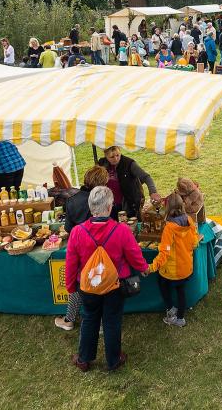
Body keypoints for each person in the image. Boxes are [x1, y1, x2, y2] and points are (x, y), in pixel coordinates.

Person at [65, 186, 148, 372]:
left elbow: (70, 262)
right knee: (111, 321)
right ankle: (113, 359)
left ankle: (84, 359)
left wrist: (71, 286)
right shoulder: (122, 230)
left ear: (90, 206)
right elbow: (134, 254)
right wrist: (144, 268)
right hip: (115, 285)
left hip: (88, 286)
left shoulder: (77, 232)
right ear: (110, 207)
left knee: (89, 319)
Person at [55, 166, 110, 331]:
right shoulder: (101, 200)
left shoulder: (72, 199)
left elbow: (68, 228)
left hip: (80, 249)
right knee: (100, 286)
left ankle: (69, 319)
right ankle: (100, 325)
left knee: (79, 286)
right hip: (100, 249)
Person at [149, 180, 203, 327]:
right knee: (181, 291)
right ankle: (180, 318)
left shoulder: (169, 228)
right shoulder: (190, 222)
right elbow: (194, 244)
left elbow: (164, 253)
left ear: (167, 208)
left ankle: (170, 310)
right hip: (185, 268)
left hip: (171, 271)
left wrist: (151, 267)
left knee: (162, 283)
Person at [98, 146, 162, 219]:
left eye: (118, 155)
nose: (116, 159)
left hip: (128, 205)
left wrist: (153, 192)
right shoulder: (102, 164)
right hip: (109, 204)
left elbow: (146, 177)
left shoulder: (129, 164)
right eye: (112, 157)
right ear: (106, 156)